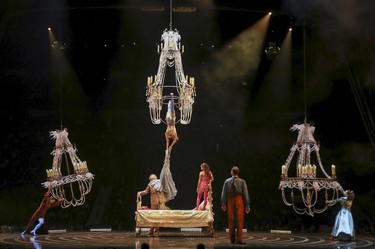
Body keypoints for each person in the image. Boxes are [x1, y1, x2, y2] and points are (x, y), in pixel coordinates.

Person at [221, 166, 250, 245]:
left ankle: (232, 239)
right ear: (238, 172)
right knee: (239, 220)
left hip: (231, 200)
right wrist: (247, 205)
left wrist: (223, 203)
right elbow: (245, 193)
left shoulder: (227, 181)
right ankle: (238, 239)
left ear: (231, 172)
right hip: (238, 200)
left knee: (231, 220)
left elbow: (223, 193)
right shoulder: (242, 181)